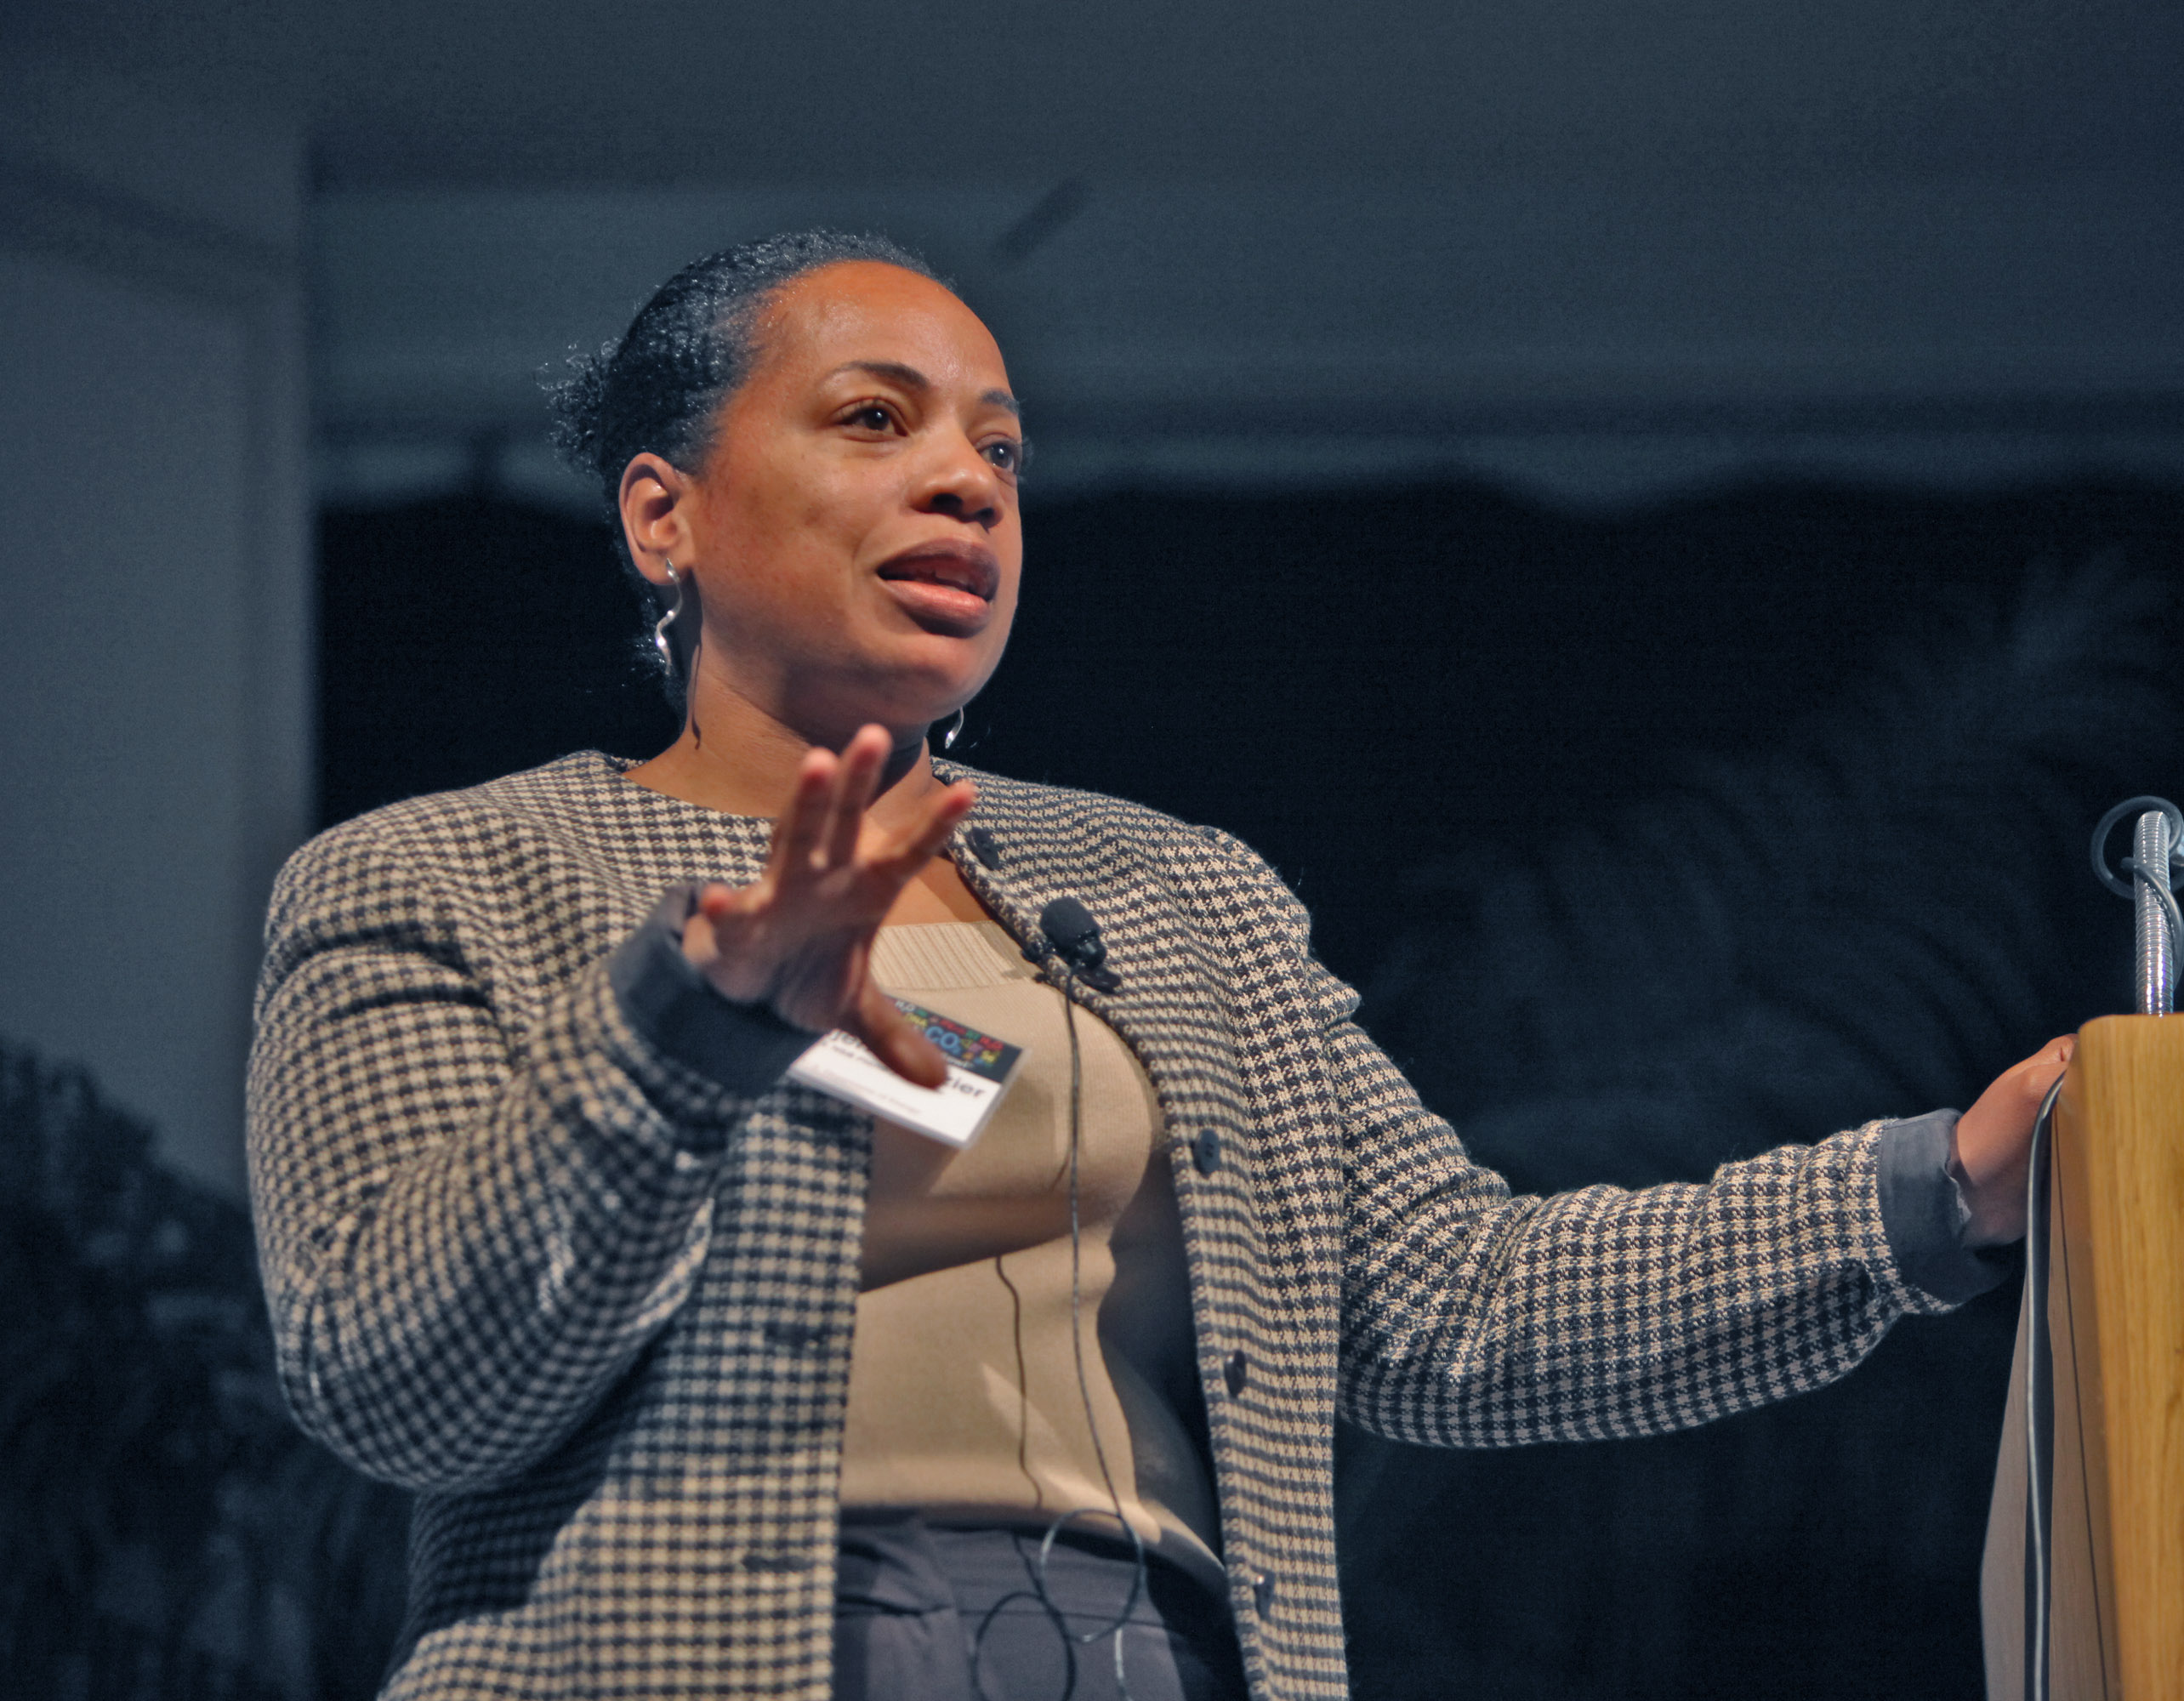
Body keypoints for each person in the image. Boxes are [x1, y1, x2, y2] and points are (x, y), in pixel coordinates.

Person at [248, 230, 2067, 1701]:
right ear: (667, 515)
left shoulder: (1173, 892)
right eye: (876, 420)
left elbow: (1458, 1304)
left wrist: (1937, 1193)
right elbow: (402, 1382)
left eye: (1000, 451)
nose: (966, 483)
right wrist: (684, 1040)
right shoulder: (446, 878)